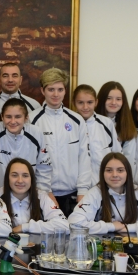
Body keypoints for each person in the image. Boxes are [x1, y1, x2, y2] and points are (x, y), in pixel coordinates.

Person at [29, 68, 92, 216]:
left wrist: (82, 191)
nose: (56, 94)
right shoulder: (32, 120)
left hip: (72, 195)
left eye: (60, 89)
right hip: (42, 194)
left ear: (65, 91)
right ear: (42, 91)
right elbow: (30, 161)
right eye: (51, 89)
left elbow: (84, 158)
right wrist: (45, 191)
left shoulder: (77, 120)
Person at [67, 153, 138, 235]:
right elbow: (74, 224)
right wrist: (111, 226)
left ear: (127, 172)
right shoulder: (95, 193)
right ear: (102, 173)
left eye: (120, 170)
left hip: (137, 247)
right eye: (109, 170)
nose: (114, 175)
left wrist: (130, 228)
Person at [0, 98, 52, 193]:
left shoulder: (36, 132)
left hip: (30, 194)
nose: (13, 121)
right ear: (2, 117)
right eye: (8, 117)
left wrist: (43, 194)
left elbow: (43, 167)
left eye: (18, 117)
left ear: (26, 118)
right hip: (2, 193)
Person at [0, 159, 68, 235]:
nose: (20, 181)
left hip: (36, 242)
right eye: (14, 175)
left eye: (25, 176)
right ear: (7, 178)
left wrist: (25, 227)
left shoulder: (41, 196)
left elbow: (64, 226)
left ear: (31, 178)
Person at [73, 84, 120, 184]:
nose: (85, 107)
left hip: (103, 182)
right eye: (80, 102)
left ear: (96, 102)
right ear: (74, 102)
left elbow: (117, 154)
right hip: (75, 185)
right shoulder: (69, 125)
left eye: (90, 102)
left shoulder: (106, 123)